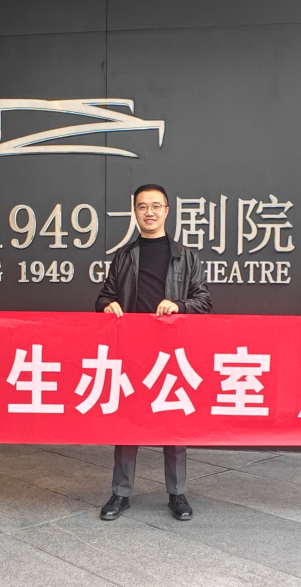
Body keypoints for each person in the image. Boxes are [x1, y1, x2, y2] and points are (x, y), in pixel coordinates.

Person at [95, 184, 212, 521]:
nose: (149, 212)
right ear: (134, 212)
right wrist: (107, 305)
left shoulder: (186, 256)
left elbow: (204, 301)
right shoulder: (124, 256)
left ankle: (177, 493)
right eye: (143, 206)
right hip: (132, 350)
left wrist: (178, 306)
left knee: (172, 424)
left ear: (166, 211)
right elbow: (104, 296)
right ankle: (120, 494)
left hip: (172, 352)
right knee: (126, 424)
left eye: (156, 206)